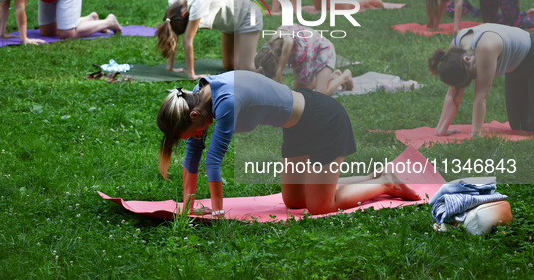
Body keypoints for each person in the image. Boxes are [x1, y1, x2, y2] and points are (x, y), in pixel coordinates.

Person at [156, 70, 421, 216]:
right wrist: (188, 207)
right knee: (294, 202)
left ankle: (388, 182)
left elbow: (213, 162)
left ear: (194, 116)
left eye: (190, 133)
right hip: (297, 129)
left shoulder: (225, 102)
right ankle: (374, 175)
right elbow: (193, 155)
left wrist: (217, 214)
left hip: (324, 120)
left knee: (320, 207)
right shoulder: (197, 99)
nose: (194, 138)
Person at [429, 23, 534, 135]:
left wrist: (476, 134)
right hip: (514, 67)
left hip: (530, 55)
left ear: (467, 58)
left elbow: (480, 96)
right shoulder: (455, 52)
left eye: (472, 75)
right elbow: (453, 93)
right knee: (520, 126)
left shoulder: (486, 48)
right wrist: (441, 130)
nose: (476, 78)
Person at [155, 0, 262, 80]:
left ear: (185, 14)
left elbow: (187, 40)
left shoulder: (198, 2)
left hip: (248, 12)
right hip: (229, 20)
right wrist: (170, 67)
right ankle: (251, 54)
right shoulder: (174, 0)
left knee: (246, 69)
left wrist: (192, 74)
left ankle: (269, 58)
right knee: (230, 66)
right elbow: (173, 29)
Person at [255, 24, 354, 95]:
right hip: (309, 52)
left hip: (323, 50)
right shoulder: (272, 44)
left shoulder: (287, 44)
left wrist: (280, 97)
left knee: (321, 93)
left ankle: (345, 76)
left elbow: (278, 73)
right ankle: (333, 76)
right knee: (299, 93)